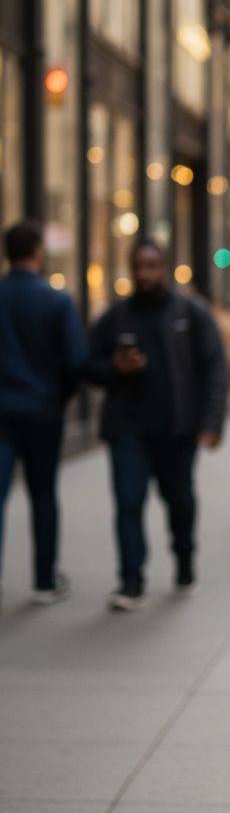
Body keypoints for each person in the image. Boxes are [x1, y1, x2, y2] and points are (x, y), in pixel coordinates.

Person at [85, 240, 226, 611]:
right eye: (138, 267)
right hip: (128, 429)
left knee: (178, 501)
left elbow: (214, 368)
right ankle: (131, 581)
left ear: (164, 267)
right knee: (128, 503)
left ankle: (184, 560)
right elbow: (88, 367)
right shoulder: (116, 317)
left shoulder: (190, 312)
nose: (145, 274)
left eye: (151, 266)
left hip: (176, 430)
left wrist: (211, 421)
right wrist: (115, 368)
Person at [0, 221, 87, 604]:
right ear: (38, 252)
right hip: (41, 410)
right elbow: (75, 362)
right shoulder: (56, 300)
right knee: (43, 494)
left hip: (1, 411)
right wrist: (59, 397)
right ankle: (44, 580)